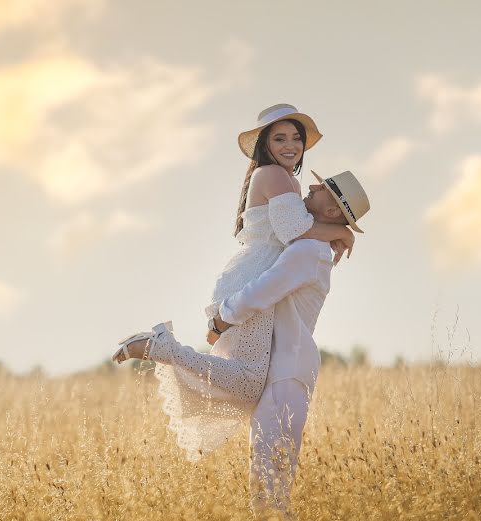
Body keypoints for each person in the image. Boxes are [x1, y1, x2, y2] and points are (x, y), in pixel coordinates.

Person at [113, 104, 354, 460]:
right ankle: (159, 347)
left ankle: (162, 349)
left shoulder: (286, 179)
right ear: (265, 144)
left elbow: (297, 233)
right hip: (253, 276)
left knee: (250, 381)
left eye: (296, 138)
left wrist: (338, 230)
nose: (290, 145)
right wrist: (340, 231)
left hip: (256, 276)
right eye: (280, 138)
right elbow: (292, 232)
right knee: (248, 381)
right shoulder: (273, 175)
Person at [209, 170, 371, 514]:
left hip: (287, 373)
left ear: (330, 212)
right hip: (284, 369)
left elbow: (264, 290)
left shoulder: (309, 251)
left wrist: (221, 318)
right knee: (267, 480)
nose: (311, 186)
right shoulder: (308, 246)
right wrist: (338, 231)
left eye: (322, 188)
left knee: (269, 483)